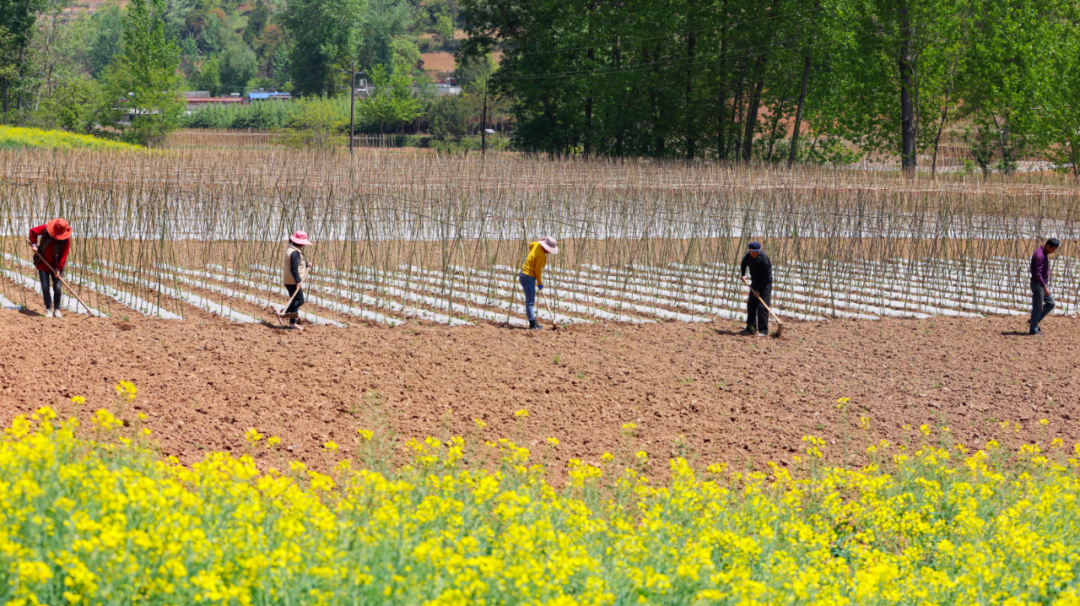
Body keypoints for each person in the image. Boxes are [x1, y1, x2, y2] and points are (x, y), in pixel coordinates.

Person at [28, 218, 72, 319]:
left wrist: (58, 268)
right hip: (43, 262)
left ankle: (57, 309)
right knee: (45, 286)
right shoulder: (45, 229)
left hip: (57, 265)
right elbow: (32, 231)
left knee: (57, 288)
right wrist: (34, 244)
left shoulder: (66, 239)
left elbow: (64, 255)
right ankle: (48, 309)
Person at [519, 236, 558, 330]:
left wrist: (531, 257)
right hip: (528, 277)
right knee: (530, 302)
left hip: (524, 275)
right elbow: (537, 271)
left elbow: (531, 244)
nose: (550, 252)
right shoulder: (541, 256)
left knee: (530, 301)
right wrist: (540, 283)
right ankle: (532, 324)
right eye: (549, 249)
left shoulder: (536, 245)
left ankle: (533, 323)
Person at [740, 241, 772, 337]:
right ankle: (751, 327)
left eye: (757, 252)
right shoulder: (748, 255)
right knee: (751, 305)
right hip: (755, 282)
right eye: (753, 252)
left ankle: (763, 330)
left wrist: (758, 289)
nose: (755, 254)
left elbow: (766, 277)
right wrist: (743, 274)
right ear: (750, 250)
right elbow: (743, 264)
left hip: (765, 284)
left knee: (762, 306)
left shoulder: (764, 259)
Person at [283, 230, 313, 331]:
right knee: (300, 300)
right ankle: (283, 311)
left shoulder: (291, 249)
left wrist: (306, 263)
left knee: (295, 300)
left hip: (288, 280)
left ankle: (293, 323)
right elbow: (294, 269)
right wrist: (298, 281)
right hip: (292, 281)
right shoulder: (295, 252)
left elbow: (297, 263)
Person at [1030, 237, 1059, 336]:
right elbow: (1038, 274)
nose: (1053, 251)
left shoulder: (1043, 253)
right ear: (1047, 246)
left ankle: (1034, 321)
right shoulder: (1040, 255)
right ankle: (1033, 330)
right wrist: (1044, 287)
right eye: (1053, 249)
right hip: (1038, 284)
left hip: (1042, 283)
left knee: (1051, 303)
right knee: (1037, 308)